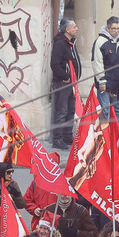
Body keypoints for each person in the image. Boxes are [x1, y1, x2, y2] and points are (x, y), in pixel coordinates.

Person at [50, 18, 82, 149]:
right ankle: (57, 139)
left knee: (70, 110)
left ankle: (67, 136)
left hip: (72, 83)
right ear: (67, 30)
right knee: (62, 111)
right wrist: (65, 76)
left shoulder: (70, 42)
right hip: (63, 83)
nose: (77, 29)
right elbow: (55, 64)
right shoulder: (60, 44)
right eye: (74, 27)